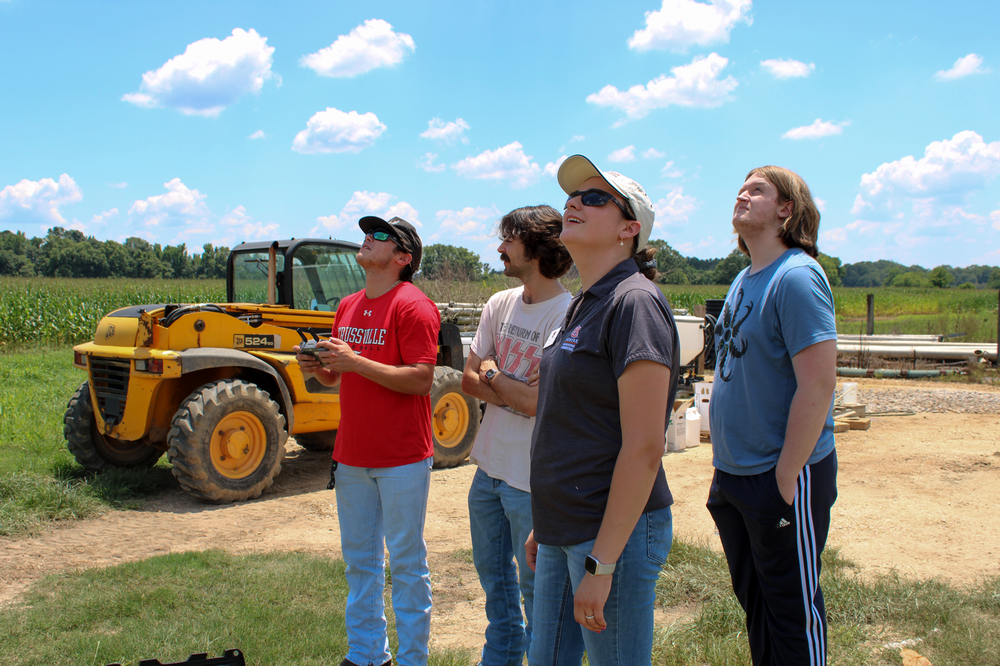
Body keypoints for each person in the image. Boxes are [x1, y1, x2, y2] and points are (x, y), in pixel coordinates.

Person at [526, 155, 680, 666]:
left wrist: (603, 562)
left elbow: (644, 447)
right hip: (564, 525)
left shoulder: (634, 303)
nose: (574, 202)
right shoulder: (585, 302)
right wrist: (545, 522)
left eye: (595, 198)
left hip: (611, 533)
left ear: (628, 229)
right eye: (573, 196)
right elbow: (571, 421)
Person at [707, 166, 838, 666]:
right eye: (740, 186)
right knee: (758, 607)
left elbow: (819, 382)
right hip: (736, 474)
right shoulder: (745, 278)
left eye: (757, 189)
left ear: (787, 209)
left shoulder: (797, 277)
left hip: (780, 476)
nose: (742, 193)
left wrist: (787, 474)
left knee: (791, 614)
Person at [295, 216, 439, 666]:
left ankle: (414, 659)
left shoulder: (414, 306)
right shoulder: (348, 305)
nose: (368, 239)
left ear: (402, 258)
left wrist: (355, 362)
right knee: (360, 563)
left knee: (407, 564)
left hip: (401, 457)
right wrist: (316, 365)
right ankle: (366, 656)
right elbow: (337, 375)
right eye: (368, 233)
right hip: (352, 454)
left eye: (380, 236)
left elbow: (420, 380)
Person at [461, 205, 576, 666]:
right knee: (494, 584)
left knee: (535, 591)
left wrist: (494, 376)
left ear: (538, 245)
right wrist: (510, 387)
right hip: (487, 469)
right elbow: (468, 379)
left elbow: (538, 403)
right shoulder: (499, 303)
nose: (500, 248)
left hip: (531, 481)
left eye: (510, 239)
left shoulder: (567, 314)